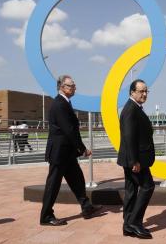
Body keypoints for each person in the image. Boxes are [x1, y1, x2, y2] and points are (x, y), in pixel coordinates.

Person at [40, 75, 101, 226]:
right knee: (53, 184)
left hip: (66, 153)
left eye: (74, 85)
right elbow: (69, 130)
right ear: (62, 87)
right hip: (59, 153)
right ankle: (46, 216)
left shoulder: (65, 102)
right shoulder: (60, 104)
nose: (74, 88)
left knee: (77, 179)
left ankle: (86, 207)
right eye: (71, 86)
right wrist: (83, 149)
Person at [118, 79, 155, 239]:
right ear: (132, 92)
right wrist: (134, 161)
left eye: (146, 91)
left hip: (133, 159)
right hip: (135, 160)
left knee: (131, 191)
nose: (145, 94)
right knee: (148, 186)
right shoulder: (131, 109)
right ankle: (135, 222)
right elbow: (128, 137)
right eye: (141, 91)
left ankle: (128, 225)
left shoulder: (134, 108)